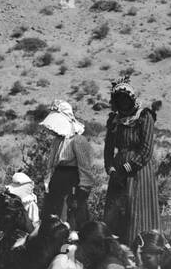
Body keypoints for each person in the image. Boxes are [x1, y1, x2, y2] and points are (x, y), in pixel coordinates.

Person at [102, 85, 161, 247]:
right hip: (117, 173)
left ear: (132, 99)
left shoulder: (144, 116)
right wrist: (111, 169)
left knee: (136, 208)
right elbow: (108, 149)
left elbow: (146, 149)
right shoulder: (115, 120)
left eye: (125, 99)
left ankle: (141, 247)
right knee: (117, 211)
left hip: (139, 172)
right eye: (119, 100)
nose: (123, 103)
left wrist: (127, 167)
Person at [40, 101, 100, 227]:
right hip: (57, 183)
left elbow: (85, 169)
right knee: (53, 217)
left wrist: (82, 192)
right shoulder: (58, 141)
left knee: (69, 219)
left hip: (71, 183)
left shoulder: (77, 140)